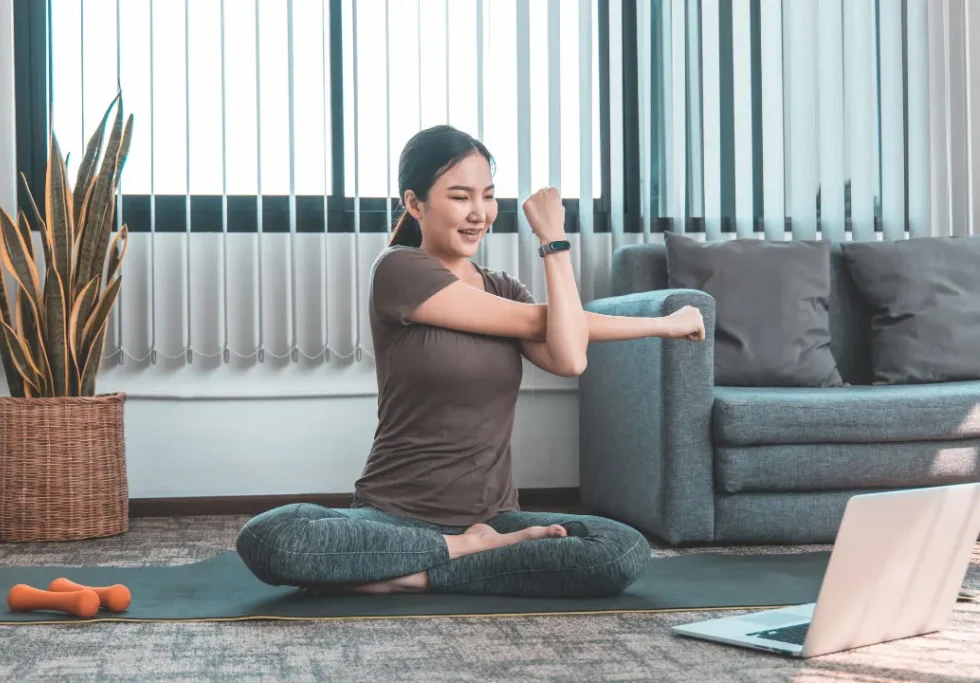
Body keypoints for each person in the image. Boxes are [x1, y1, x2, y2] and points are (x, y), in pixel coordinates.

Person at [235, 125, 706, 598]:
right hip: (393, 516)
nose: (479, 214)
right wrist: (663, 325)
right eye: (460, 197)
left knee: (619, 548)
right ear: (415, 204)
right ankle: (463, 550)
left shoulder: (503, 287)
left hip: (496, 518)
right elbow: (545, 321)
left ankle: (414, 571)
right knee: (273, 537)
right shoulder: (399, 270)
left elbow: (569, 356)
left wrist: (553, 241)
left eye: (487, 196)